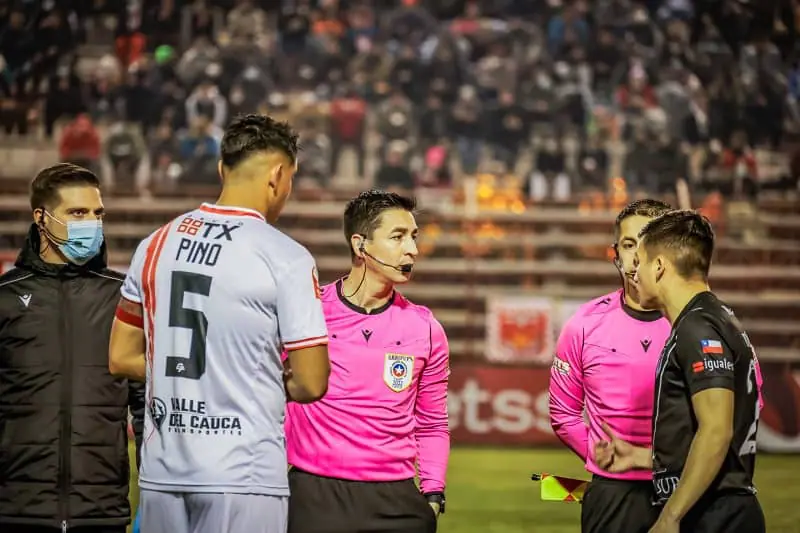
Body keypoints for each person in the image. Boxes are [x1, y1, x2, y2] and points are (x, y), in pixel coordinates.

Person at [108, 114, 331, 533]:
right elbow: (312, 381)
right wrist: (242, 374)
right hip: (244, 474)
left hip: (162, 473)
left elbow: (121, 357)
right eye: (290, 181)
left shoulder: (155, 243)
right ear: (278, 176)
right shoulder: (286, 256)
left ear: (220, 168)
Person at [285, 190, 450, 533]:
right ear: (360, 245)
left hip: (397, 500)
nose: (413, 250)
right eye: (398, 237)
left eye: (414, 237)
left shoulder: (425, 328)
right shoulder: (308, 312)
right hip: (315, 494)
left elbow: (432, 421)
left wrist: (433, 493)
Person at [597, 210, 765, 533]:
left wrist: (671, 515)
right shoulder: (716, 318)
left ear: (659, 267)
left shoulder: (697, 328)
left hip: (715, 514)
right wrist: (641, 458)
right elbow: (704, 438)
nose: (633, 270)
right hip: (720, 510)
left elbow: (716, 430)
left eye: (641, 261)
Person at [0, 163, 144, 533]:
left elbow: (145, 406)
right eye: (77, 213)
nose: (92, 224)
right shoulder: (5, 298)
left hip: (101, 513)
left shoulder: (124, 297)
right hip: (17, 511)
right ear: (41, 218)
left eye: (97, 214)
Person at [548, 199, 673, 533]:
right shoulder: (584, 324)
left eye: (648, 243)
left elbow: (744, 407)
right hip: (612, 493)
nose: (637, 255)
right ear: (615, 253)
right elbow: (563, 414)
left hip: (687, 486)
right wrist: (600, 455)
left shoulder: (702, 323)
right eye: (629, 244)